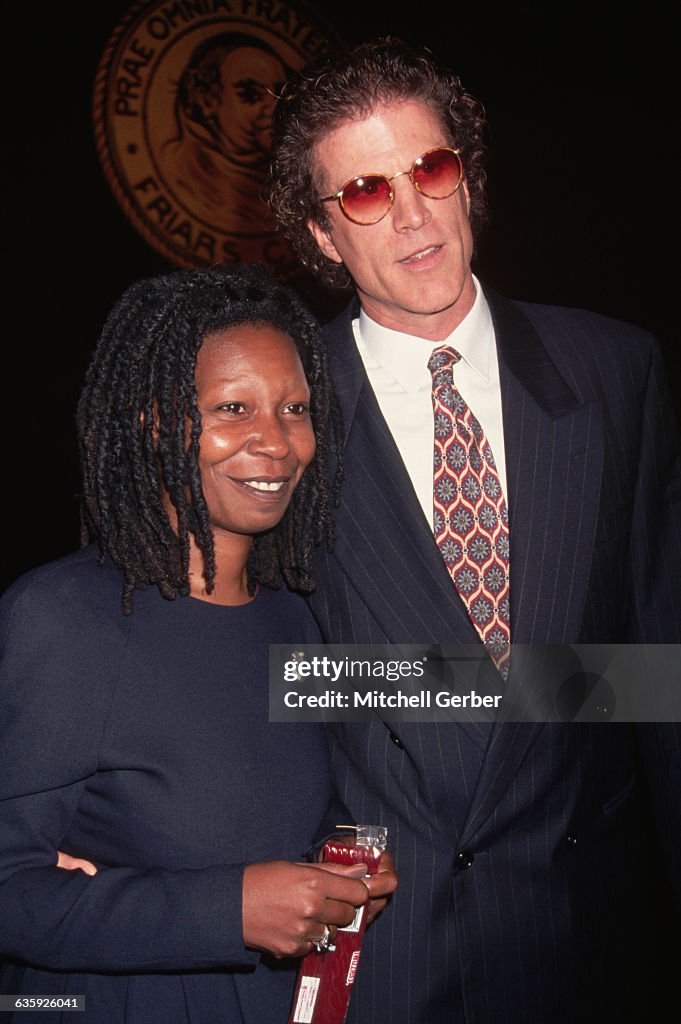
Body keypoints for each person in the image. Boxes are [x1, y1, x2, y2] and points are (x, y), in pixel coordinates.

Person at [268, 36, 681, 1024]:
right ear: (323, 236)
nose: (412, 213)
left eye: (432, 168)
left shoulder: (616, 370)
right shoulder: (278, 409)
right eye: (366, 191)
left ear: (467, 176)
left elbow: (658, 670)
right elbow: (268, 674)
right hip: (390, 950)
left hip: (594, 940)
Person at [0, 263, 397, 1024]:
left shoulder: (295, 617)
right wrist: (225, 909)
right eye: (233, 407)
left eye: (294, 407)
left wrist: (336, 874)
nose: (276, 443)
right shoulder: (64, 617)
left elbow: (271, 814)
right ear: (154, 422)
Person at [162, 33, 287, 233]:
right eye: (250, 94)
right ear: (208, 99)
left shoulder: (292, 186)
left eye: (279, 95)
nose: (272, 108)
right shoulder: (181, 177)